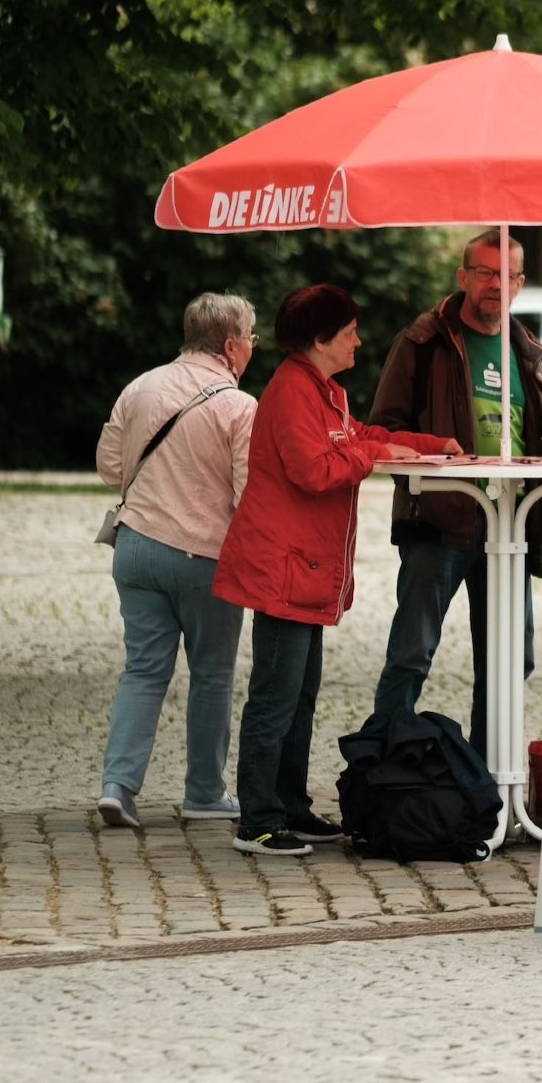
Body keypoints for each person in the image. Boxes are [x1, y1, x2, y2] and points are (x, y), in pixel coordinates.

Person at [213, 285, 449, 857]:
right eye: (349, 332)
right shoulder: (293, 390)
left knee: (300, 696)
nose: (358, 341)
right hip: (283, 569)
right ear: (320, 340)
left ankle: (290, 803)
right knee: (274, 697)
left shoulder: (326, 391)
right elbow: (313, 470)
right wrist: (377, 457)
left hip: (307, 570)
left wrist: (424, 444)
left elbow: (359, 438)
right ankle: (258, 819)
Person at [367, 229, 542, 755]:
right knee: (413, 652)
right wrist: (437, 449)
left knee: (510, 657)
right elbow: (382, 432)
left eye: (508, 275)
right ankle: (381, 769)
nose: (496, 285)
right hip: (440, 521)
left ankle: (483, 780)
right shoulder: (423, 341)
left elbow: (528, 432)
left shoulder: (526, 350)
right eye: (485, 273)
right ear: (463, 277)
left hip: (509, 523)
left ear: (521, 283)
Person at [92, 293, 260, 829]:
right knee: (211, 675)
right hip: (204, 557)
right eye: (252, 338)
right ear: (232, 345)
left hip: (135, 546)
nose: (254, 347)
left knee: (142, 670)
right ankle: (205, 793)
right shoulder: (240, 407)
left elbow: (109, 465)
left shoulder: (140, 386)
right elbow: (247, 493)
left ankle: (118, 786)